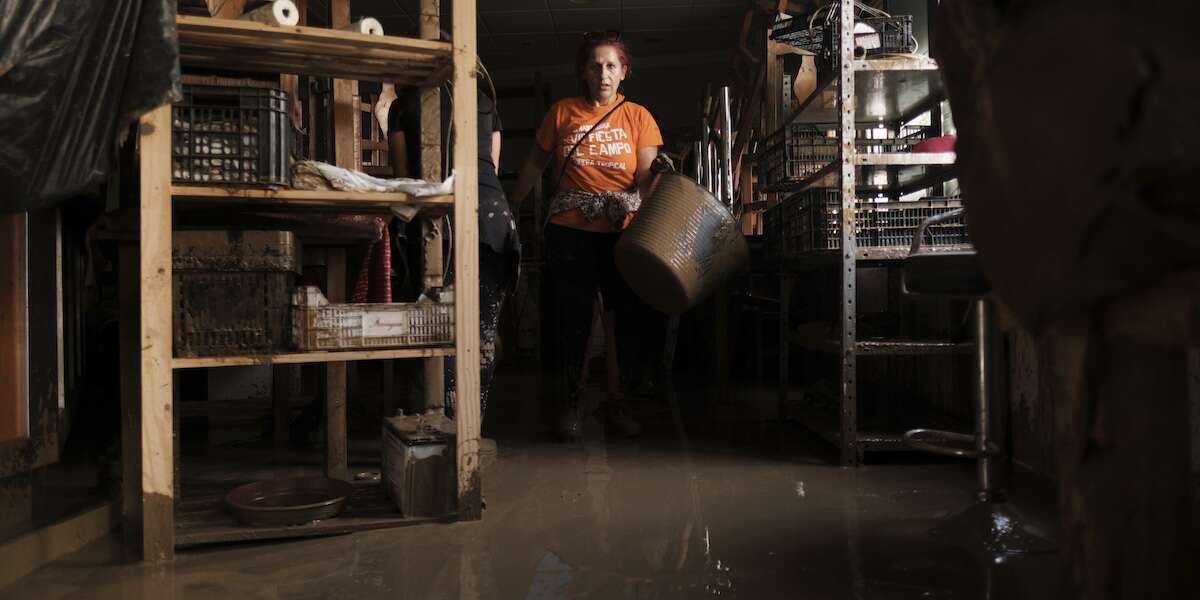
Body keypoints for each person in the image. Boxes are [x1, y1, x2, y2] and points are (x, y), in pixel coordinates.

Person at [511, 30, 663, 441]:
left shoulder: (639, 117)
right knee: (572, 320)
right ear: (583, 71)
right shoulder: (562, 113)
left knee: (620, 320)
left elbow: (646, 181)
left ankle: (617, 402)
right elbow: (533, 165)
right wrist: (510, 208)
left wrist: (660, 183)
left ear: (624, 72)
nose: (603, 73)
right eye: (595, 66)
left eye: (611, 65)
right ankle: (573, 401)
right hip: (569, 231)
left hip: (621, 233)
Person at [387, 80, 519, 429]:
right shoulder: (485, 101)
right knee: (483, 333)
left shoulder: (403, 107)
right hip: (492, 216)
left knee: (445, 328)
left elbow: (403, 180)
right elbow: (491, 164)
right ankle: (471, 430)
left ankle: (448, 433)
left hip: (440, 217)